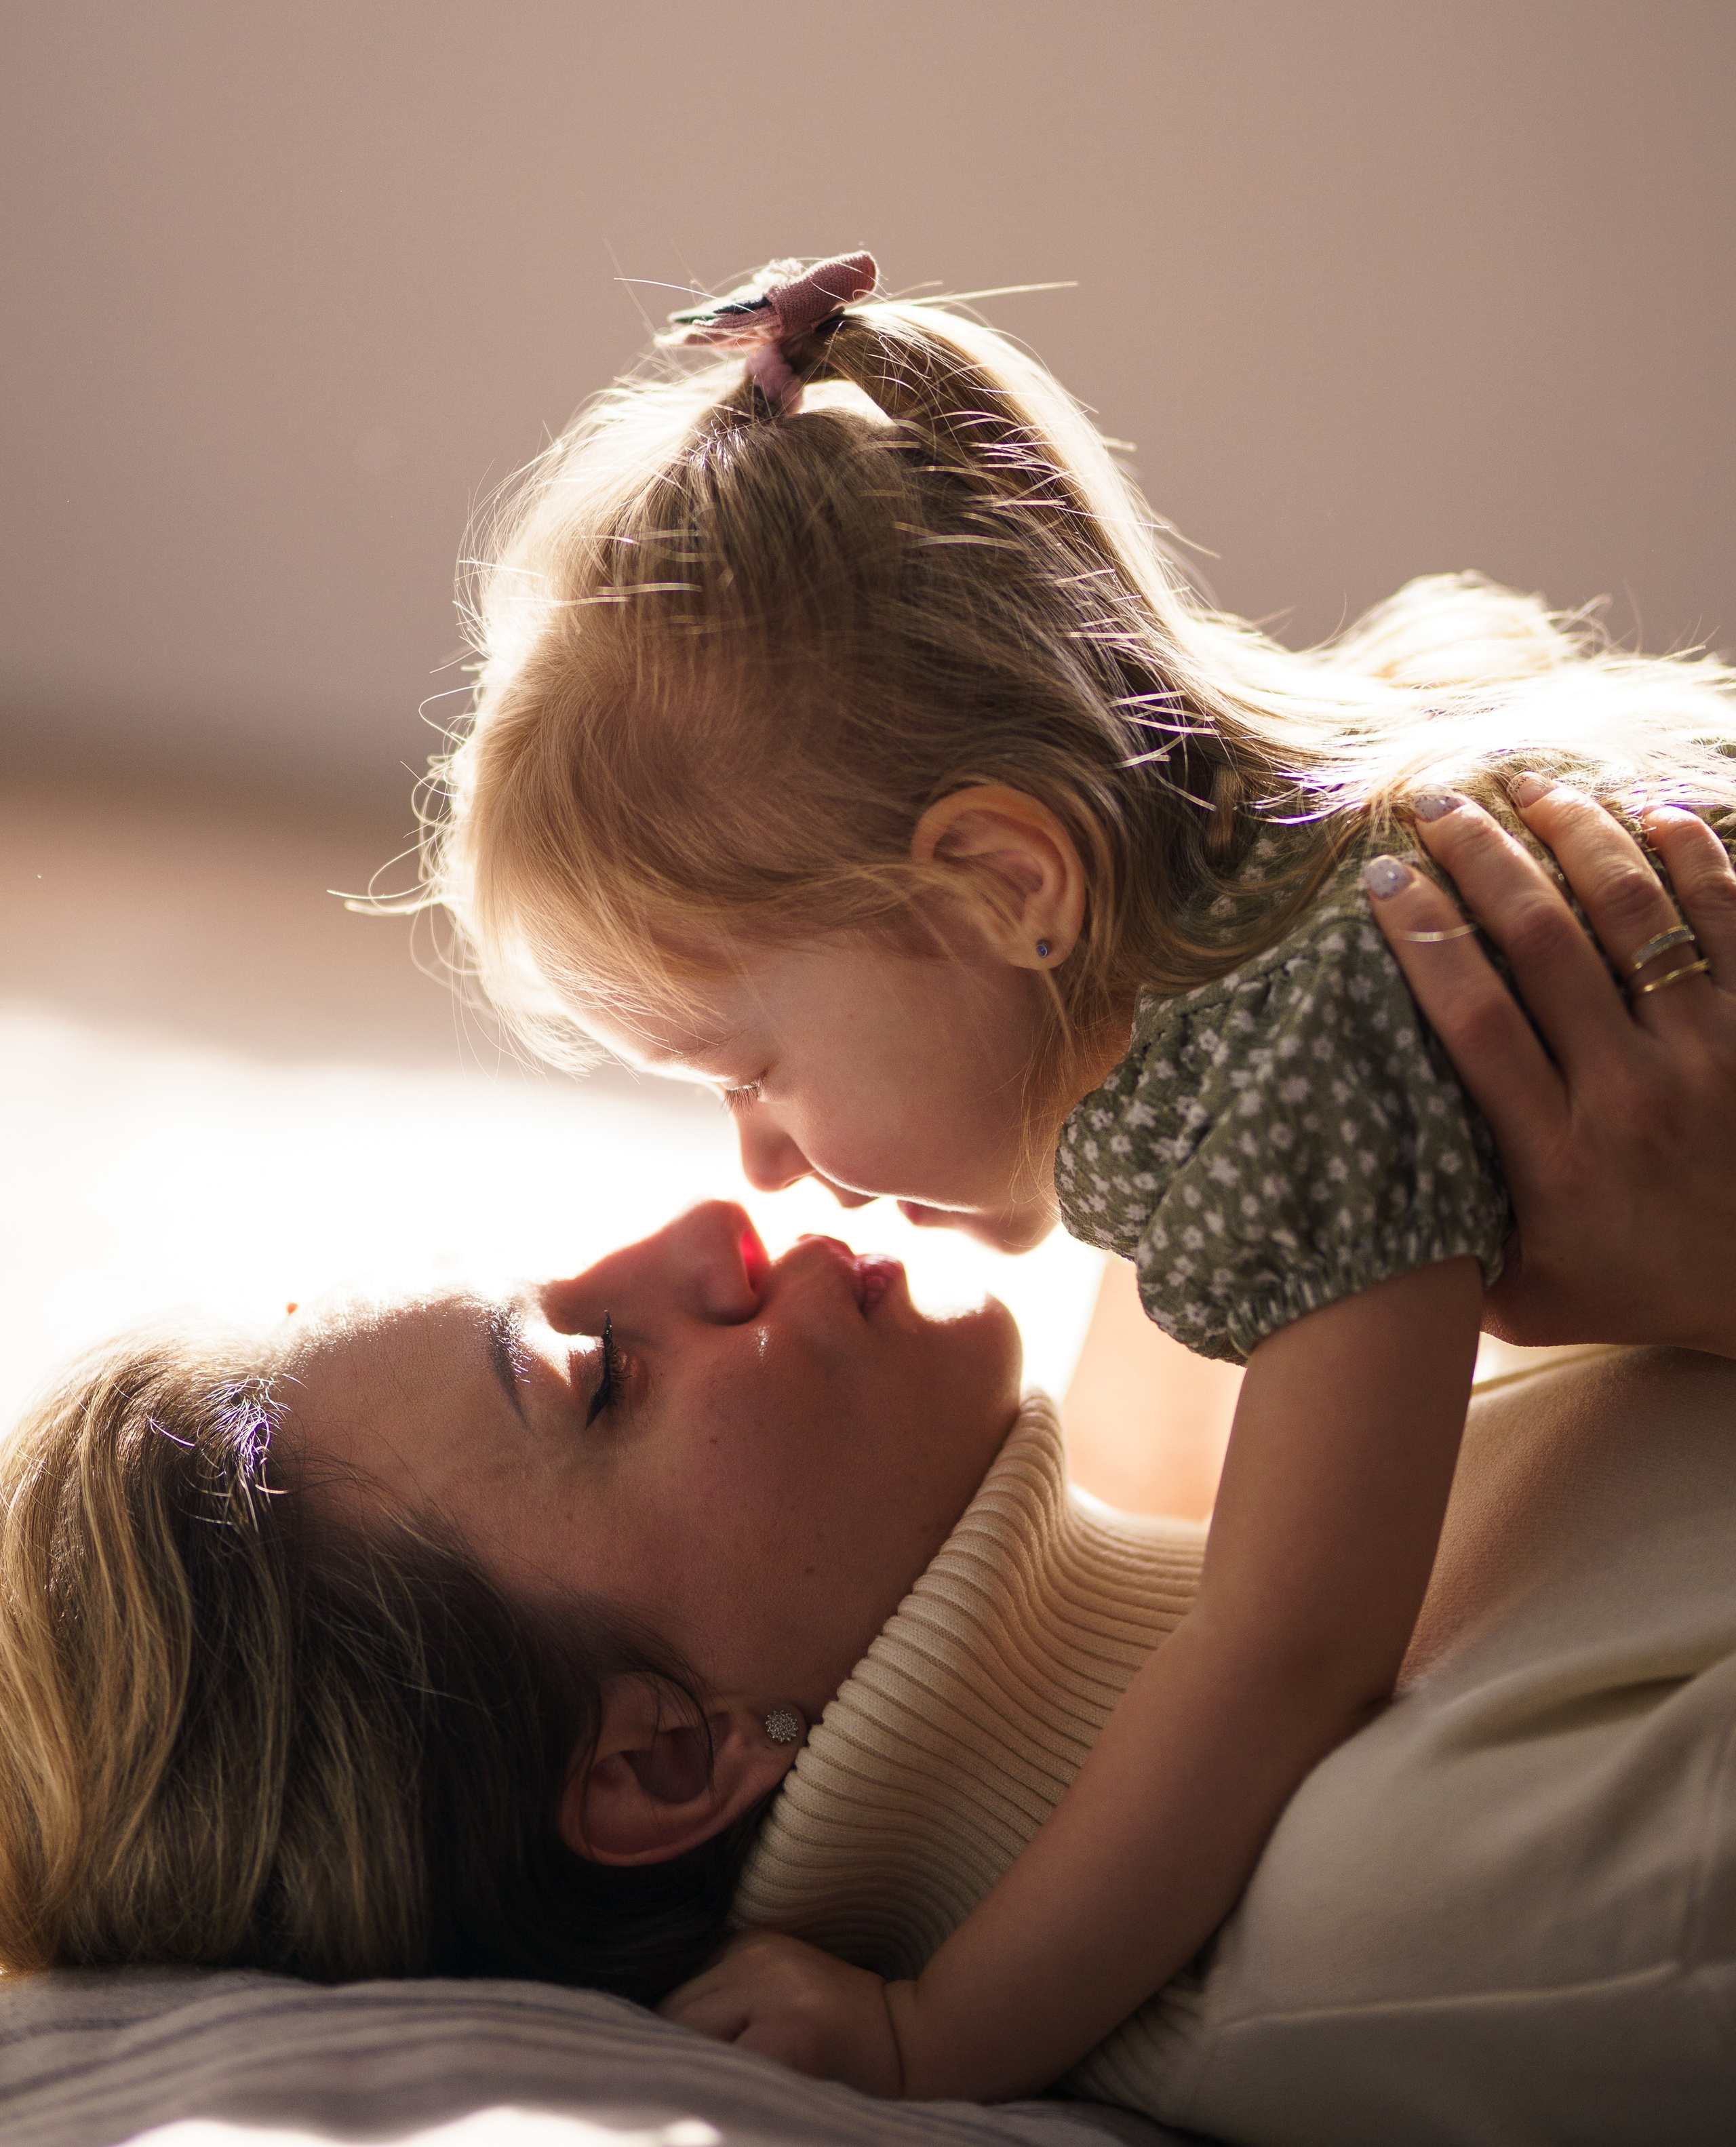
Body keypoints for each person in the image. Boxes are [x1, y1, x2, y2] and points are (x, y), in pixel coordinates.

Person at [427, 253, 1736, 2095]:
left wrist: (941, 2020)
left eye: (758, 1063)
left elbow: (1286, 1647)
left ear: (1004, 885)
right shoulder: (1303, 867)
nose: (760, 1161)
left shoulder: (1285, 1059)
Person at [1, 814, 1733, 2144]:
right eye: (596, 1375)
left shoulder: (1207, 1369)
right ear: (663, 1752)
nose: (700, 1222)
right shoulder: (1447, 1915)